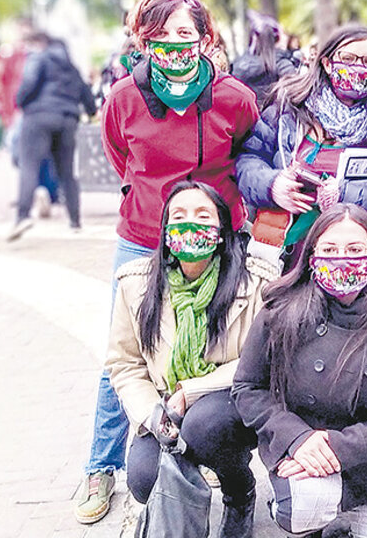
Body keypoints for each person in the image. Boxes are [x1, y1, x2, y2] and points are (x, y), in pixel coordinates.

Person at [75, 0, 260, 525]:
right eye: (162, 34)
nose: (176, 45)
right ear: (143, 39)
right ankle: (99, 466)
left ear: (205, 39)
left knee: (229, 340)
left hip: (220, 237)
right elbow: (119, 156)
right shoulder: (124, 99)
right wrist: (156, 205)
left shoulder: (231, 96)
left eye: (187, 34)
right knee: (129, 351)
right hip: (144, 236)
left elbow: (250, 149)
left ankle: (221, 449)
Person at [232, 203, 367, 538]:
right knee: (300, 509)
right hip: (306, 452)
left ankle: (365, 510)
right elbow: (247, 388)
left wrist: (337, 448)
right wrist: (297, 438)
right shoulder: (280, 308)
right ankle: (318, 518)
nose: (342, 258)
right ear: (312, 258)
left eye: (355, 249)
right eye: (329, 249)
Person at [106, 182, 277, 538]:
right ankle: (188, 509)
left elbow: (260, 359)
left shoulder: (255, 282)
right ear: (166, 232)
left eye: (203, 216)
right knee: (144, 477)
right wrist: (153, 415)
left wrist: (190, 392)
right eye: (178, 217)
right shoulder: (136, 285)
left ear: (220, 230)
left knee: (204, 424)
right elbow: (125, 365)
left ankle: (239, 492)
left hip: (230, 403)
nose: (189, 225)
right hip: (164, 405)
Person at [236, 24, 367, 267]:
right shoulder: (289, 107)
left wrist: (346, 197)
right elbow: (248, 161)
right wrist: (273, 185)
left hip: (359, 260)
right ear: (327, 62)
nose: (357, 67)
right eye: (348, 58)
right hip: (286, 255)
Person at [8, 32, 95, 241]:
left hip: (39, 116)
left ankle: (22, 216)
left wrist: (21, 102)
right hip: (67, 119)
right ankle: (75, 220)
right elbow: (89, 102)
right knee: (66, 170)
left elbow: (27, 86)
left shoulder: (39, 59)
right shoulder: (73, 69)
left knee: (30, 165)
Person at [231, 11, 300, 107]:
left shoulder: (236, 66)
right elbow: (297, 95)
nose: (286, 37)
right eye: (283, 33)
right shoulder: (283, 64)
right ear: (277, 38)